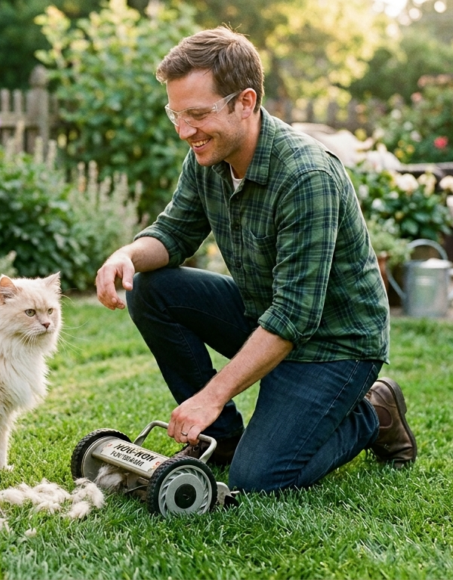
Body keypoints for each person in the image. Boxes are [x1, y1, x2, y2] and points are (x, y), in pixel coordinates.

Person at [95, 27, 417, 493]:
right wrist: (126, 255)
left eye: (198, 114)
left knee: (259, 478)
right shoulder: (208, 156)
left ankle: (375, 413)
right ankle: (221, 438)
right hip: (265, 314)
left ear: (245, 102)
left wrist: (210, 396)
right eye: (176, 114)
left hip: (336, 345)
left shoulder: (306, 176)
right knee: (151, 286)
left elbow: (294, 316)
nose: (185, 131)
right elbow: (174, 233)